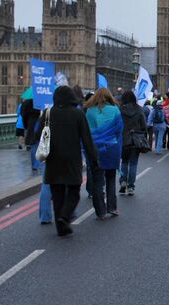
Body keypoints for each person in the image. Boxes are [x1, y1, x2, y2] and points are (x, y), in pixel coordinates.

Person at [40, 86, 99, 237]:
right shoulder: (78, 114)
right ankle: (65, 216)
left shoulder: (48, 113)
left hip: (52, 159)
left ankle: (61, 228)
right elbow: (87, 140)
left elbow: (37, 135)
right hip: (71, 159)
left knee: (57, 193)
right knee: (74, 191)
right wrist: (94, 159)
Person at [85, 88, 123, 219]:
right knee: (111, 179)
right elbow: (119, 131)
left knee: (97, 181)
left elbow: (86, 132)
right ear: (109, 97)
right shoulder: (115, 110)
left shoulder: (89, 112)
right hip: (111, 148)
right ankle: (112, 207)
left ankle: (100, 211)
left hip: (95, 149)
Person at [119, 91, 147, 195]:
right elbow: (144, 125)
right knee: (133, 163)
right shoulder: (139, 109)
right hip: (136, 140)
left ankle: (123, 181)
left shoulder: (120, 110)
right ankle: (131, 186)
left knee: (124, 162)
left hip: (124, 140)